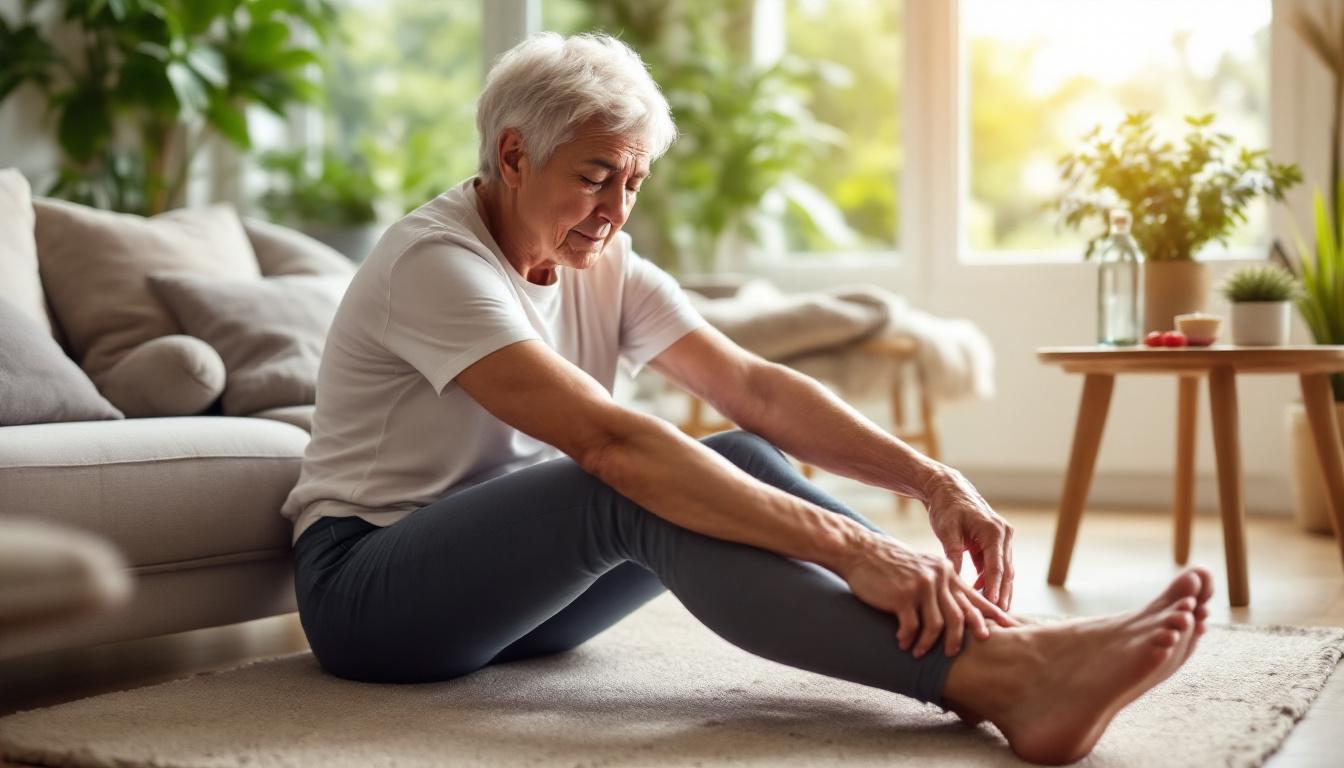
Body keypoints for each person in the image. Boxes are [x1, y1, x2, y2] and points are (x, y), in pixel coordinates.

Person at [282, 32, 1212, 765]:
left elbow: (754, 389)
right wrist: (858, 550)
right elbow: (610, 447)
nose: (615, 210)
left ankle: (1013, 645)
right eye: (596, 176)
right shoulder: (436, 265)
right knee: (628, 481)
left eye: (633, 182)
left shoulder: (603, 260)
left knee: (739, 457)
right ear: (515, 155)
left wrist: (933, 483)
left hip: (511, 595)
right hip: (373, 593)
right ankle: (998, 680)